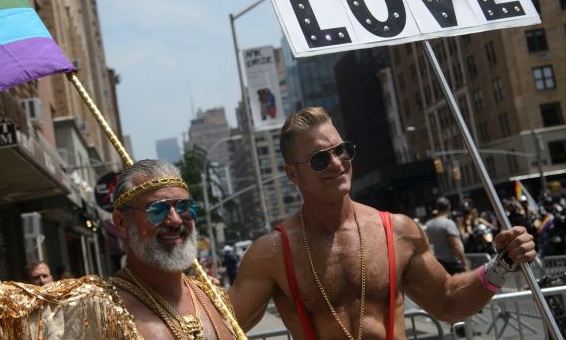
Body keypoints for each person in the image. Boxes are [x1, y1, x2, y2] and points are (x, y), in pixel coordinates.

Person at [0, 125, 239, 339]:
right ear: (121, 223)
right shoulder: (93, 306)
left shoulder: (214, 297)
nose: (175, 220)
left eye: (183, 206)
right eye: (158, 209)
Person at [229, 107, 537, 339]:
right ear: (292, 174)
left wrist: (504, 262)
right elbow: (222, 328)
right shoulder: (272, 254)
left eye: (341, 150)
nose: (337, 163)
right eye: (319, 159)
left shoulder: (398, 232)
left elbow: (447, 302)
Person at [425, 197, 468, 275]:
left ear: (437, 208)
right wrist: (464, 264)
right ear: (449, 207)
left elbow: (428, 243)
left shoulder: (429, 224)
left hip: (439, 263)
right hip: (453, 264)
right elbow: (456, 246)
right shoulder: (448, 223)